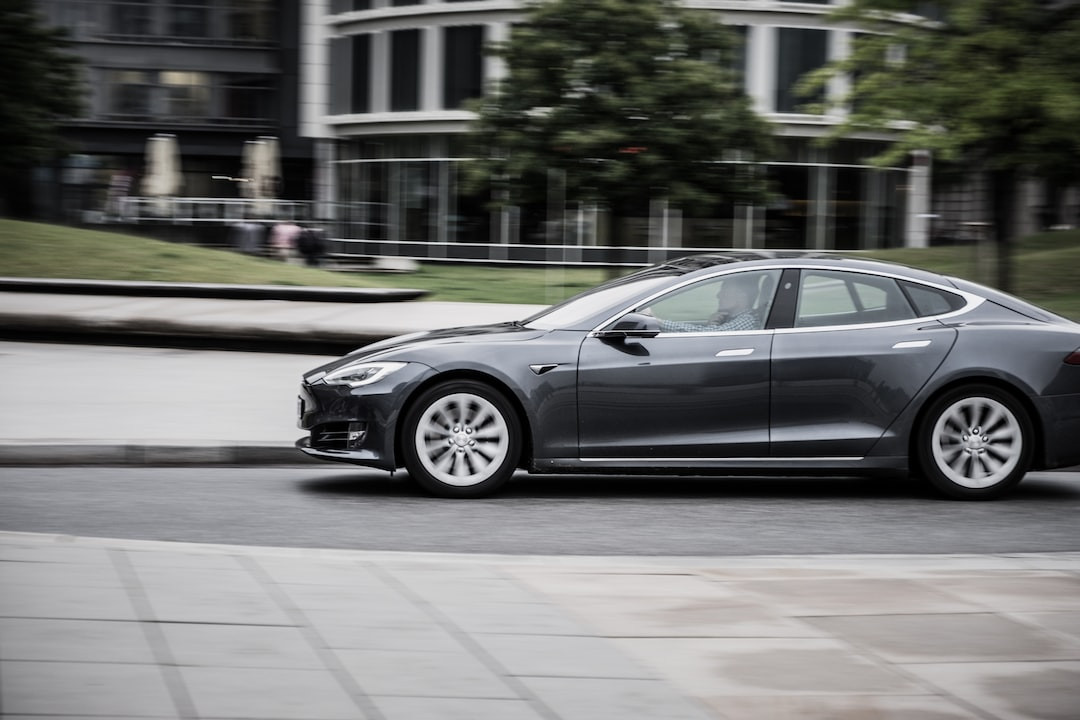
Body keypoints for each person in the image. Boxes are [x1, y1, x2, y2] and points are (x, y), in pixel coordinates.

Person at [655, 275, 763, 333]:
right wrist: (713, 325)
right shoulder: (732, 319)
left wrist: (658, 323)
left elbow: (704, 335)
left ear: (741, 296)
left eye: (724, 290)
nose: (718, 295)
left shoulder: (747, 321)